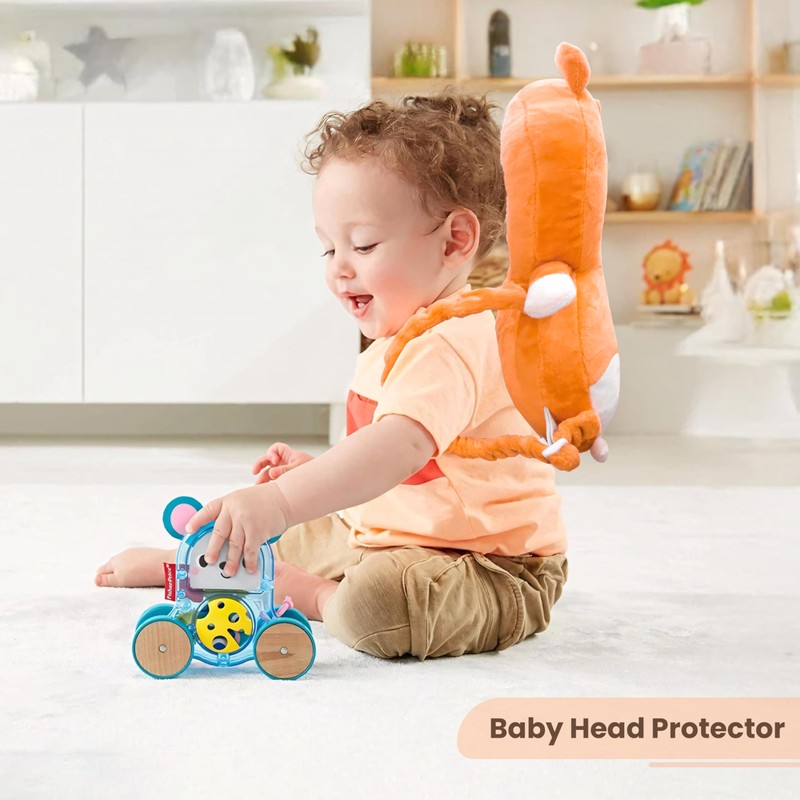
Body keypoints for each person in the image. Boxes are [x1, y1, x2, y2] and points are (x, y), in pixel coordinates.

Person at [96, 93, 568, 660]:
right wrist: (316, 474)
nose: (340, 268)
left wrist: (281, 500)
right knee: (290, 531)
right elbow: (397, 466)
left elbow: (398, 449)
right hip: (387, 535)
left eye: (363, 245)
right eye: (328, 249)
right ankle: (200, 567)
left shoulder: (453, 339)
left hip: (487, 566)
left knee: (381, 604)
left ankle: (311, 594)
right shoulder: (399, 333)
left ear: (454, 240)